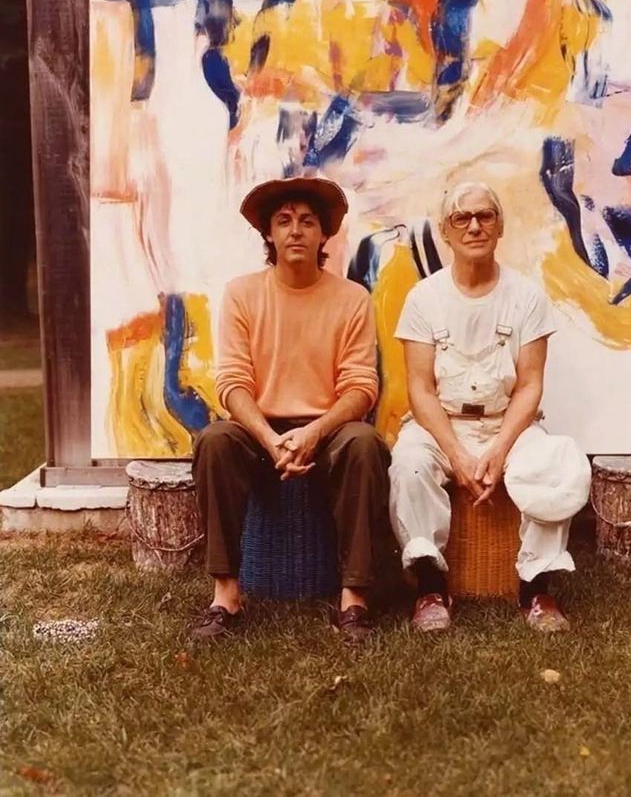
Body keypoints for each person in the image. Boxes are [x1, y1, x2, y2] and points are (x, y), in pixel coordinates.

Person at [191, 176, 391, 644]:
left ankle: (354, 600)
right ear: (269, 235)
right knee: (214, 440)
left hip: (329, 430)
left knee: (364, 443)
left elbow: (362, 388)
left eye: (307, 221)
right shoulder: (243, 294)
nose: (296, 230)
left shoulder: (352, 299)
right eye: (284, 221)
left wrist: (314, 433)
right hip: (261, 432)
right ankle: (226, 596)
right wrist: (270, 437)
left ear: (324, 235)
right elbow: (233, 383)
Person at [389, 181, 591, 633]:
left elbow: (530, 385)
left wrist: (500, 448)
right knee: (409, 463)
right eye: (462, 218)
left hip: (508, 422)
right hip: (440, 422)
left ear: (500, 227)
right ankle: (430, 588)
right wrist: (457, 455)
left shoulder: (526, 297)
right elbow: (419, 390)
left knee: (553, 463)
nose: (475, 226)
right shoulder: (424, 299)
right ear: (445, 230)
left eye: (485, 216)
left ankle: (537, 589)